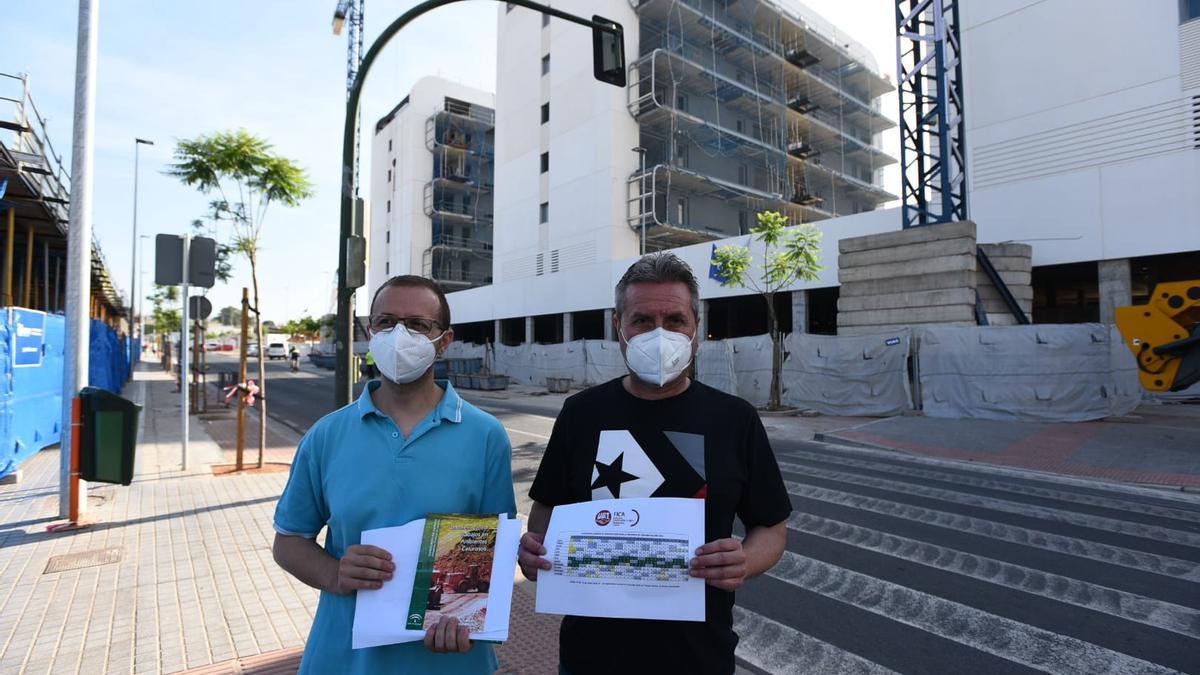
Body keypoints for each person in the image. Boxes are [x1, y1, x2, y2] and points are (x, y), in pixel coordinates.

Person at [518, 253, 791, 675]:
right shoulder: (581, 413)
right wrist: (536, 552)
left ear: (696, 328)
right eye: (642, 320)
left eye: (675, 320)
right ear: (619, 327)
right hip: (590, 658)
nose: (659, 334)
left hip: (698, 658)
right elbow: (547, 510)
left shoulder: (735, 419)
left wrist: (746, 560)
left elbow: (771, 526)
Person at [273, 275, 517, 674]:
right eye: (386, 322)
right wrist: (335, 573)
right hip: (344, 660)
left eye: (418, 324)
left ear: (445, 340)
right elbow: (289, 542)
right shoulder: (326, 435)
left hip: (451, 660)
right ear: (371, 333)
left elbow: (493, 553)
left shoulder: (486, 435)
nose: (399, 334)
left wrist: (467, 616)